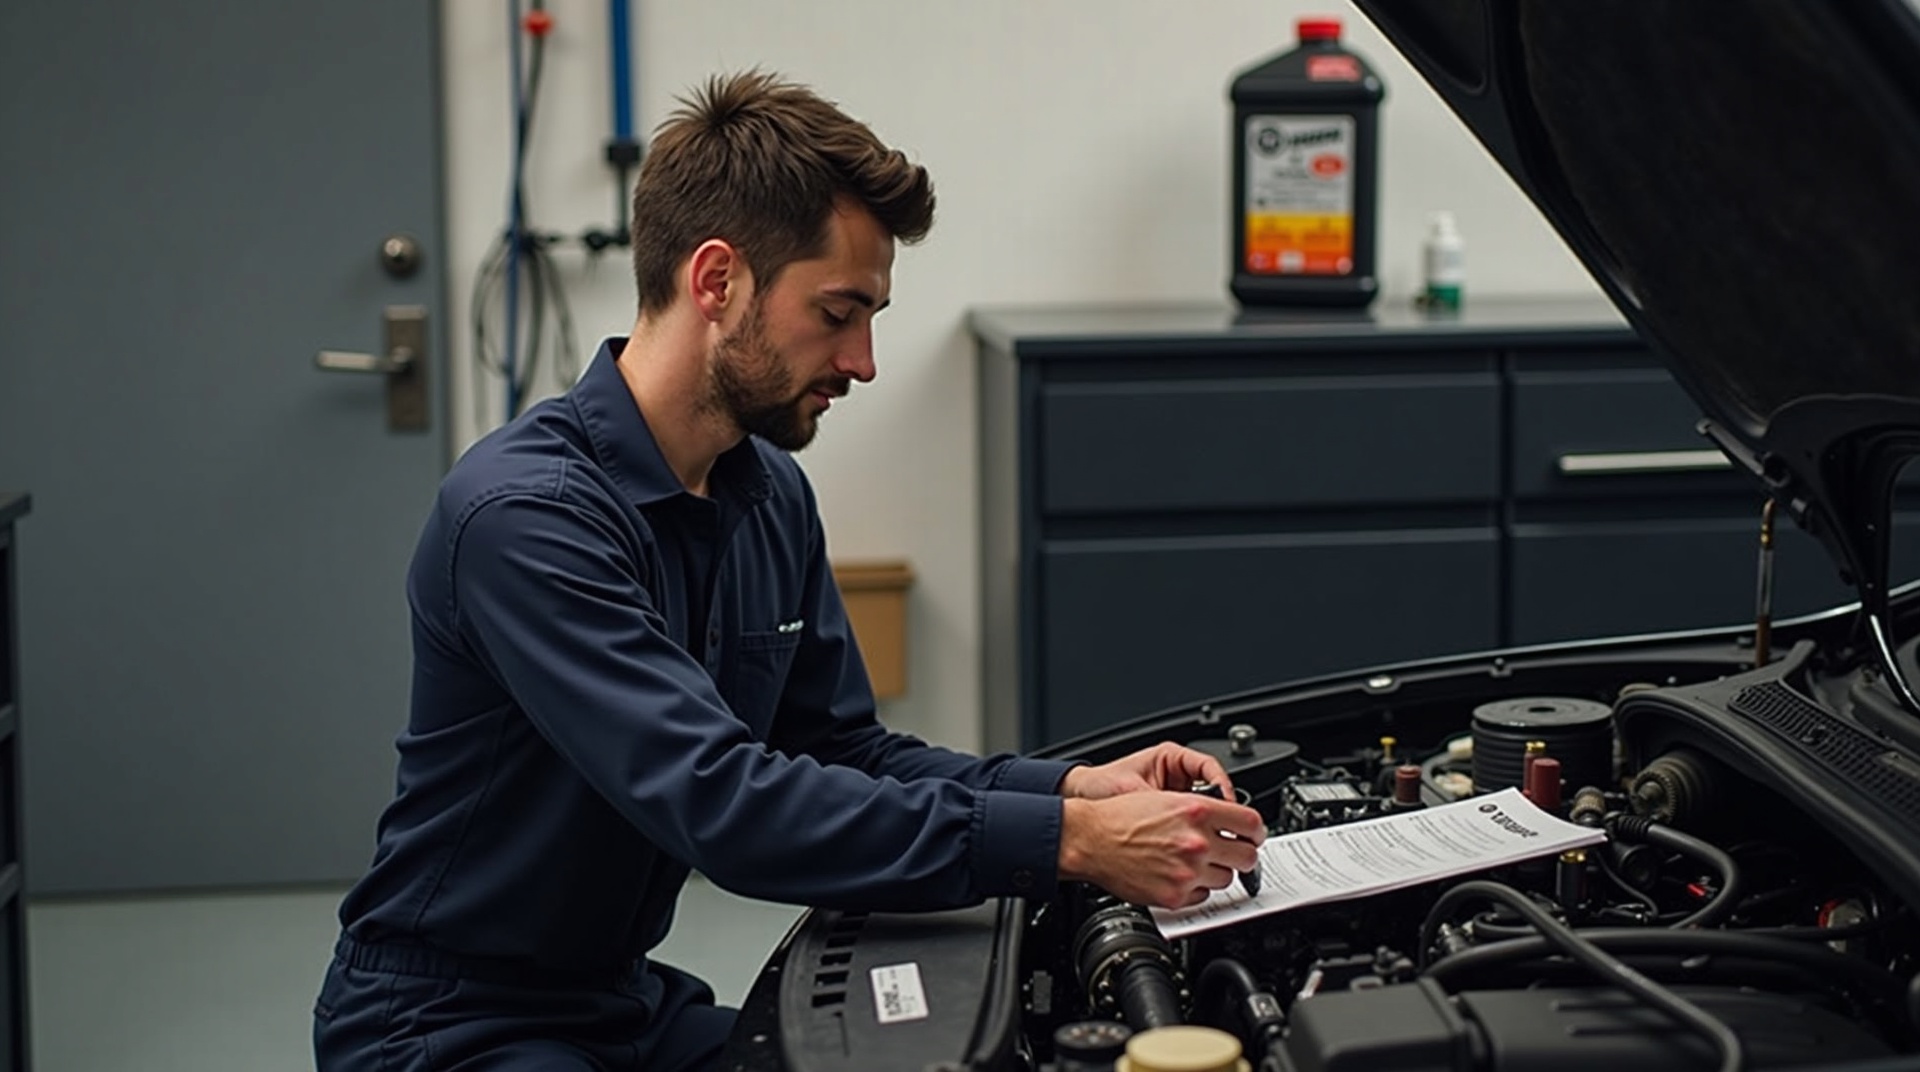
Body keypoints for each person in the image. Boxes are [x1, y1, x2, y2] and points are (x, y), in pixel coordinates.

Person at [313, 69, 1265, 1072]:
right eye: (838, 312)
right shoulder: (526, 517)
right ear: (717, 281)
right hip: (448, 1023)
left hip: (618, 1002)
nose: (863, 360)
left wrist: (1077, 789)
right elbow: (725, 802)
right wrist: (1066, 841)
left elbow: (844, 751)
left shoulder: (765, 490)